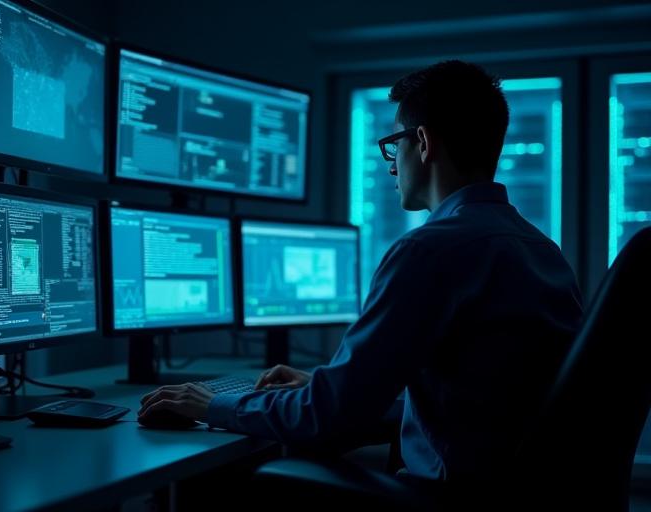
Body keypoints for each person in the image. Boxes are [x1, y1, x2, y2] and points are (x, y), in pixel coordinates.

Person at [139, 60, 583, 482]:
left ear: (423, 143)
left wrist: (214, 404)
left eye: (394, 144)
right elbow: (483, 410)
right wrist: (333, 386)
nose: (391, 163)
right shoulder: (542, 251)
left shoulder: (429, 251)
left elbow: (325, 419)